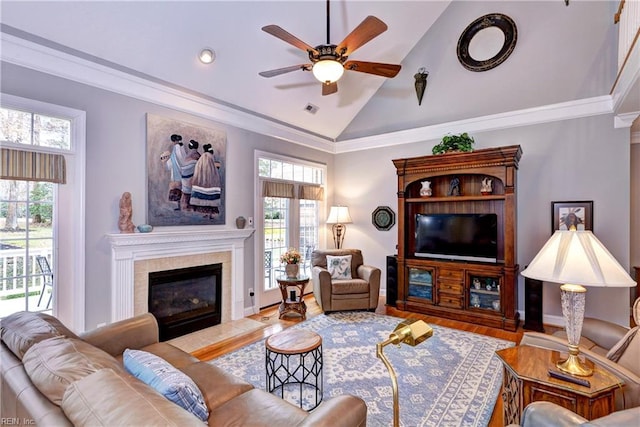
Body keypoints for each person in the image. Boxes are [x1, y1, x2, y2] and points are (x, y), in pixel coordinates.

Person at [190, 143, 222, 218]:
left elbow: (198, 169)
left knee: (203, 198)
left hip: (202, 181)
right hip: (210, 181)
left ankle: (206, 213)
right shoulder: (210, 157)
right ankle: (210, 214)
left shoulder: (202, 157)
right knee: (211, 199)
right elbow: (214, 168)